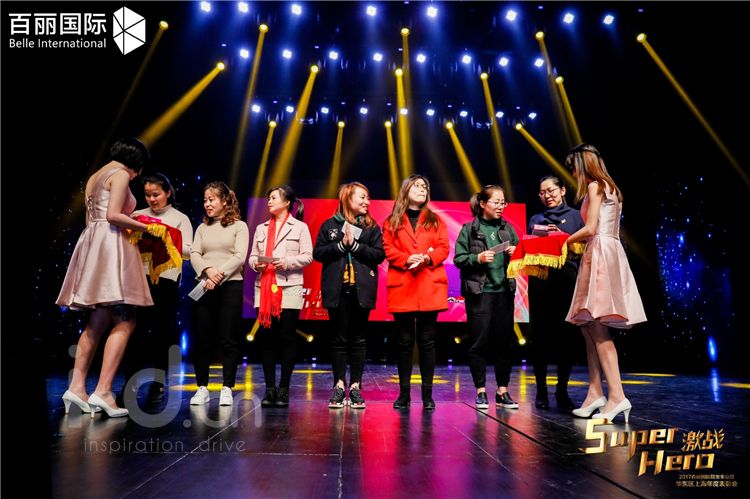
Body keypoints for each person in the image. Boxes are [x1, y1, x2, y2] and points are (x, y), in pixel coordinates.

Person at [56, 138, 154, 418]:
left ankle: (76, 388)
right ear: (135, 162)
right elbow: (113, 216)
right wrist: (147, 229)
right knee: (125, 321)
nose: (136, 176)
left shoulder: (95, 177)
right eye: (139, 169)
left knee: (96, 322)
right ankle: (104, 391)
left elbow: (93, 219)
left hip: (93, 244)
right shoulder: (121, 173)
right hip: (112, 246)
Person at [564, 143, 646, 423]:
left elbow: (590, 228)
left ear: (582, 164)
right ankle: (595, 393)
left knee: (597, 328)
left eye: (573, 168)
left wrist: (563, 240)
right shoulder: (611, 187)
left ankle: (617, 396)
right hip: (606, 250)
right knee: (588, 326)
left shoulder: (595, 186)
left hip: (600, 252)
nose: (573, 173)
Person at [122, 173, 193, 404]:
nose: (152, 199)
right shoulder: (137, 216)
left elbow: (188, 251)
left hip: (166, 281)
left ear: (168, 192)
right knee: (134, 332)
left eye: (156, 194)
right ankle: (130, 383)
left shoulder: (180, 218)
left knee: (163, 333)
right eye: (148, 195)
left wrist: (164, 233)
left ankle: (158, 383)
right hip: (138, 279)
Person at [313, 182, 385, 409]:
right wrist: (340, 246)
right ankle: (339, 385)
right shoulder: (329, 225)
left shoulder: (372, 227)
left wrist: (354, 246)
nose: (367, 202)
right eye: (362, 197)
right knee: (339, 339)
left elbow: (379, 255)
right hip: (337, 290)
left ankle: (355, 386)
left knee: (359, 340)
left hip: (362, 290)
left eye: (368, 197)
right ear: (347, 198)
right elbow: (318, 253)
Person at [383, 175, 449, 410]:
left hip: (429, 285)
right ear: (406, 190)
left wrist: (428, 258)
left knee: (427, 341)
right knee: (404, 342)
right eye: (417, 186)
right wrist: (406, 258)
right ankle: (404, 394)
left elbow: (444, 247)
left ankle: (427, 395)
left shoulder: (435, 219)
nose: (422, 189)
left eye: (424, 187)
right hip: (403, 284)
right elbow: (388, 248)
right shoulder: (391, 220)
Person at [454, 185, 520, 410]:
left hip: (504, 292)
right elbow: (459, 259)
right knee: (478, 342)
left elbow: (523, 256)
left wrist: (516, 254)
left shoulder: (508, 228)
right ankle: (480, 391)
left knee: (504, 343)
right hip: (479, 293)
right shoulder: (470, 229)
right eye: (496, 202)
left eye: (503, 203)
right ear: (483, 204)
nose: (501, 207)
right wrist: (477, 258)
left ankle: (502, 391)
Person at [248, 185, 313, 408]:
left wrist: (287, 262)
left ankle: (284, 388)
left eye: (273, 198)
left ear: (287, 202)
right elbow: (252, 256)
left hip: (290, 285)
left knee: (287, 337)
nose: (269, 201)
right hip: (264, 287)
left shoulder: (300, 227)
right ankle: (270, 389)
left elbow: (308, 256)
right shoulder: (261, 228)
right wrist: (256, 264)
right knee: (267, 338)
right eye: (268, 198)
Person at [526, 176, 584, 411]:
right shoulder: (535, 219)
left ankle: (562, 390)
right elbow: (530, 248)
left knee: (566, 338)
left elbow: (583, 249)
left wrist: (561, 235)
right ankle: (541, 391)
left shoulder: (577, 216)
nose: (547, 195)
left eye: (551, 190)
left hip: (567, 281)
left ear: (562, 190)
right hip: (541, 282)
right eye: (542, 192)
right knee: (539, 338)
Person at [189, 181, 249, 407]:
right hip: (204, 286)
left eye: (211, 199)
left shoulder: (239, 226)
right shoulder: (202, 228)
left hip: (230, 286)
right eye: (205, 200)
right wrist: (207, 270)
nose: (207, 204)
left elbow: (240, 256)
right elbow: (195, 253)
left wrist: (218, 274)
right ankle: (202, 387)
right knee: (202, 338)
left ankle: (227, 387)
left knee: (228, 338)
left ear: (224, 201)